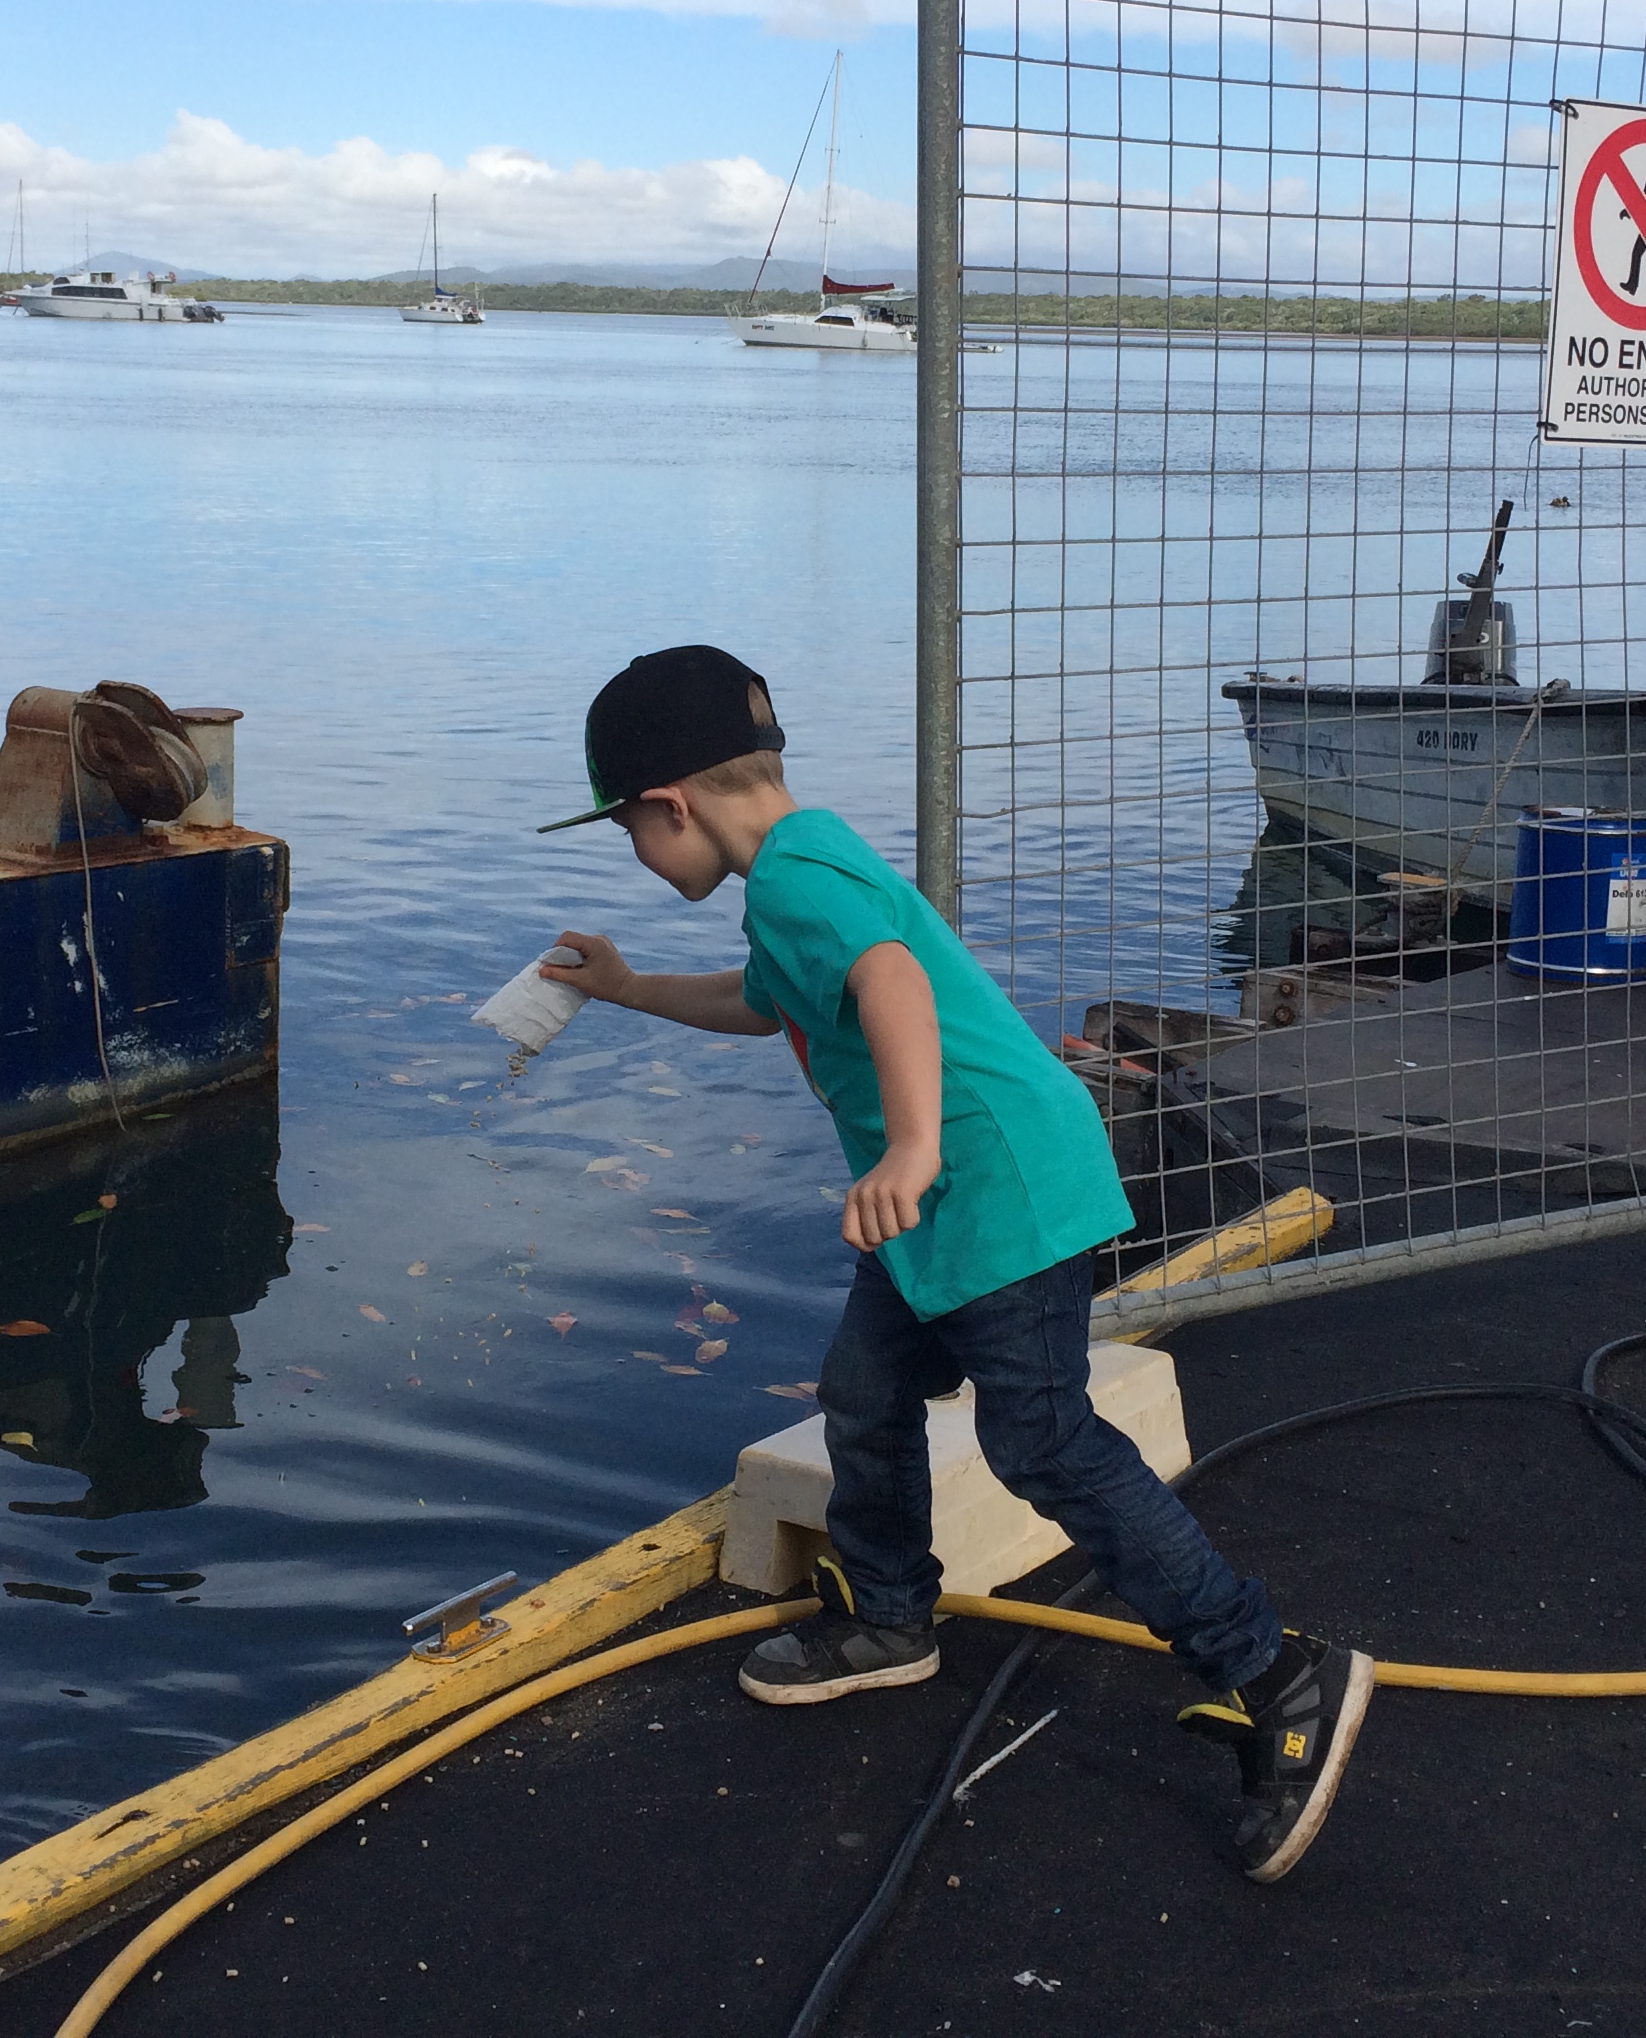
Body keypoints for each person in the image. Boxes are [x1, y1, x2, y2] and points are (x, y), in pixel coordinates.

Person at [537, 644, 1373, 1882]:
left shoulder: (793, 883)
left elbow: (890, 982)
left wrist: (912, 1147)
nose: (638, 857)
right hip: (947, 1205)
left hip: (986, 1192)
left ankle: (1276, 1671)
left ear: (671, 806)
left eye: (627, 832)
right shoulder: (807, 858)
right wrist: (625, 987)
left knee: (1043, 1443)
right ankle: (889, 1617)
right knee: (865, 1392)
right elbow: (769, 1001)